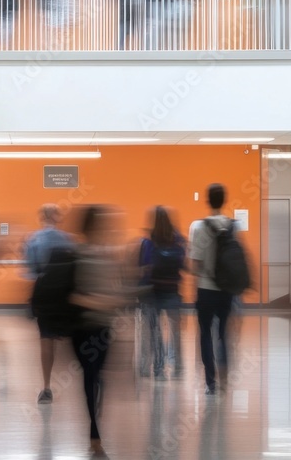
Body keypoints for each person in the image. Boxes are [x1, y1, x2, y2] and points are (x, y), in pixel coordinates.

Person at [68, 205, 130, 457]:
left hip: (99, 326)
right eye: (101, 223)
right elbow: (72, 294)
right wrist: (101, 302)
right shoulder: (80, 256)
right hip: (88, 326)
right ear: (92, 226)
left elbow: (116, 291)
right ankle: (94, 430)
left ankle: (94, 421)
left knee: (94, 376)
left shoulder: (104, 255)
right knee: (91, 376)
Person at [23, 203, 74, 404]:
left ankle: (46, 387)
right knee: (70, 337)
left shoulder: (33, 239)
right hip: (64, 296)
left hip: (44, 294)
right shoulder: (68, 240)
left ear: (41, 217)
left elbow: (30, 271)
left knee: (46, 341)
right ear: (57, 217)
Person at [188, 183, 235, 395]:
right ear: (224, 200)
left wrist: (194, 288)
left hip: (206, 289)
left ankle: (211, 383)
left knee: (205, 333)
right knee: (223, 334)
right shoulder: (233, 226)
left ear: (208, 200)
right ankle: (225, 381)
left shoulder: (199, 227)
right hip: (226, 290)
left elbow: (194, 265)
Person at [138, 206, 186, 380]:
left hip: (153, 292)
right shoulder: (178, 239)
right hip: (173, 290)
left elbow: (143, 268)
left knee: (154, 330)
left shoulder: (148, 241)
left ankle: (158, 368)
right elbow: (184, 264)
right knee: (176, 331)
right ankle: (178, 366)